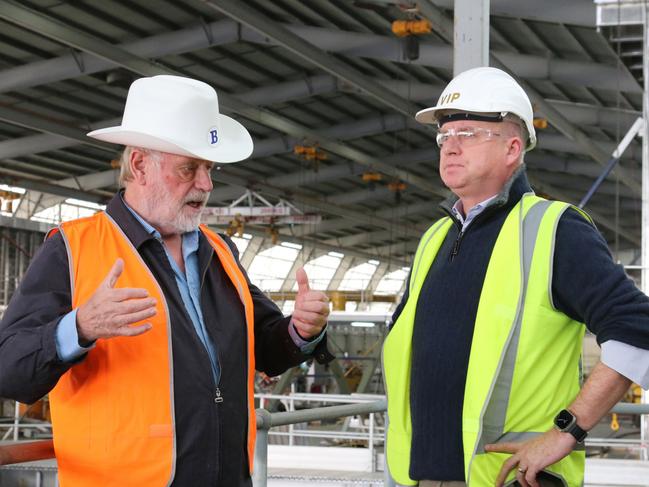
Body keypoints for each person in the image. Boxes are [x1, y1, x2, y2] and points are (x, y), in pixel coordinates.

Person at [0, 75, 333, 486]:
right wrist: (80, 327)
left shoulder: (220, 252)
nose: (206, 185)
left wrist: (301, 330)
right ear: (139, 165)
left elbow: (264, 344)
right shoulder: (72, 248)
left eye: (209, 168)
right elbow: (9, 369)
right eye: (189, 168)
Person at [382, 66, 649, 487]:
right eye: (444, 136)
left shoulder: (553, 229)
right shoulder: (434, 238)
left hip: (510, 479)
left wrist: (568, 430)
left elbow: (637, 328)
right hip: (419, 477)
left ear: (511, 149)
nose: (450, 147)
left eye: (467, 133)